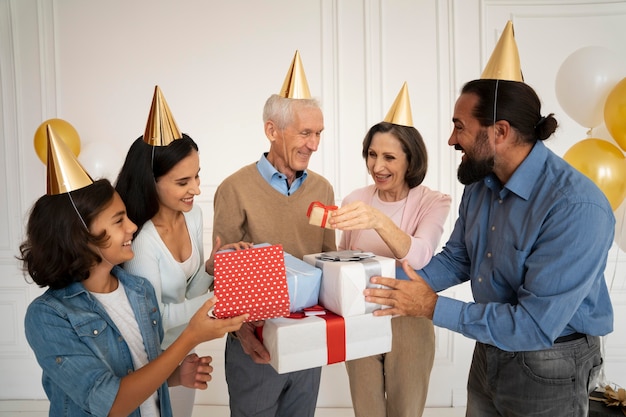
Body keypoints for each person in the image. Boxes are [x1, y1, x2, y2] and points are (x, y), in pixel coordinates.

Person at [363, 21, 615, 417]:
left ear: (499, 131)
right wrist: (385, 285)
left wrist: (430, 306)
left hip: (551, 359)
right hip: (489, 348)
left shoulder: (576, 207)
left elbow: (533, 325)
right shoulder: (480, 184)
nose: (450, 140)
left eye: (459, 127)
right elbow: (459, 257)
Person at [21, 125, 247, 417]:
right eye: (118, 221)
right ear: (80, 236)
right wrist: (190, 337)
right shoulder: (48, 317)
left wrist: (176, 377)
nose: (132, 227)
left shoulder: (139, 292)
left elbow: (139, 367)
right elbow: (111, 402)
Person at [211, 50, 336, 417]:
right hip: (256, 344)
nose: (313, 144)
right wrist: (243, 335)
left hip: (307, 341)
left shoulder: (324, 190)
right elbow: (222, 272)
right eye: (305, 133)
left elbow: (328, 263)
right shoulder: (235, 188)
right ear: (272, 130)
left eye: (318, 134)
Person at [115, 85, 251, 417]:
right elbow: (153, 319)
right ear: (151, 181)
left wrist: (209, 270)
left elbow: (185, 293)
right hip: (147, 361)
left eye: (197, 176)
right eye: (182, 182)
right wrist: (217, 302)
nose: (196, 189)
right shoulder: (141, 240)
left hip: (182, 351)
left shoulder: (194, 216)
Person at [329, 82, 451, 417]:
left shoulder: (433, 201)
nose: (377, 166)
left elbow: (421, 255)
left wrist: (377, 220)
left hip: (410, 319)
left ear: (410, 160)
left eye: (389, 157)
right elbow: (343, 257)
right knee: (366, 411)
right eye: (372, 154)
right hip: (359, 315)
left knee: (405, 412)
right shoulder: (355, 199)